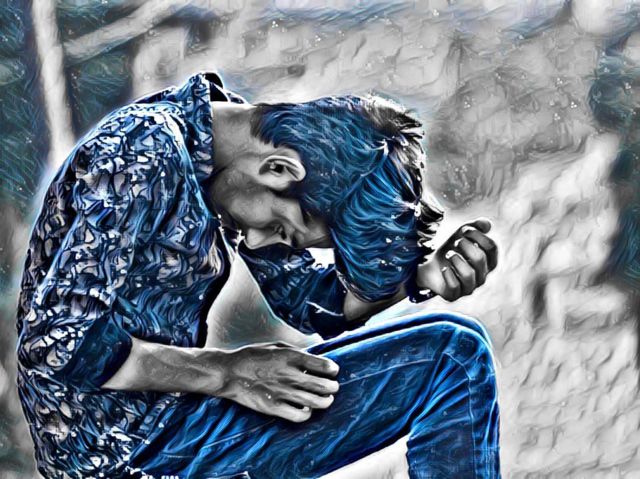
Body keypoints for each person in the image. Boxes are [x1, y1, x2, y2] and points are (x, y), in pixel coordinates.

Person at [16, 72, 500, 478]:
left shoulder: (231, 151)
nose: (256, 241)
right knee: (452, 356)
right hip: (132, 457)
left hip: (184, 428)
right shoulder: (143, 150)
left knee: (456, 346)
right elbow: (57, 339)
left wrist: (419, 279)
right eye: (281, 229)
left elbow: (311, 303)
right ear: (279, 168)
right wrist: (226, 372)